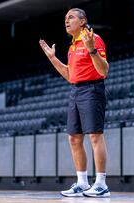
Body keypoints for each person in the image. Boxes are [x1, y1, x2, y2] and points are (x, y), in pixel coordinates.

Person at [39, 8, 110, 198]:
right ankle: (82, 183)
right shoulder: (72, 47)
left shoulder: (94, 39)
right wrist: (53, 59)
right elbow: (70, 76)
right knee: (74, 138)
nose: (66, 21)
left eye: (71, 17)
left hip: (92, 89)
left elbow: (104, 70)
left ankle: (101, 184)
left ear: (83, 21)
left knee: (95, 135)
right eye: (65, 18)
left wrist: (92, 50)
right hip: (76, 90)